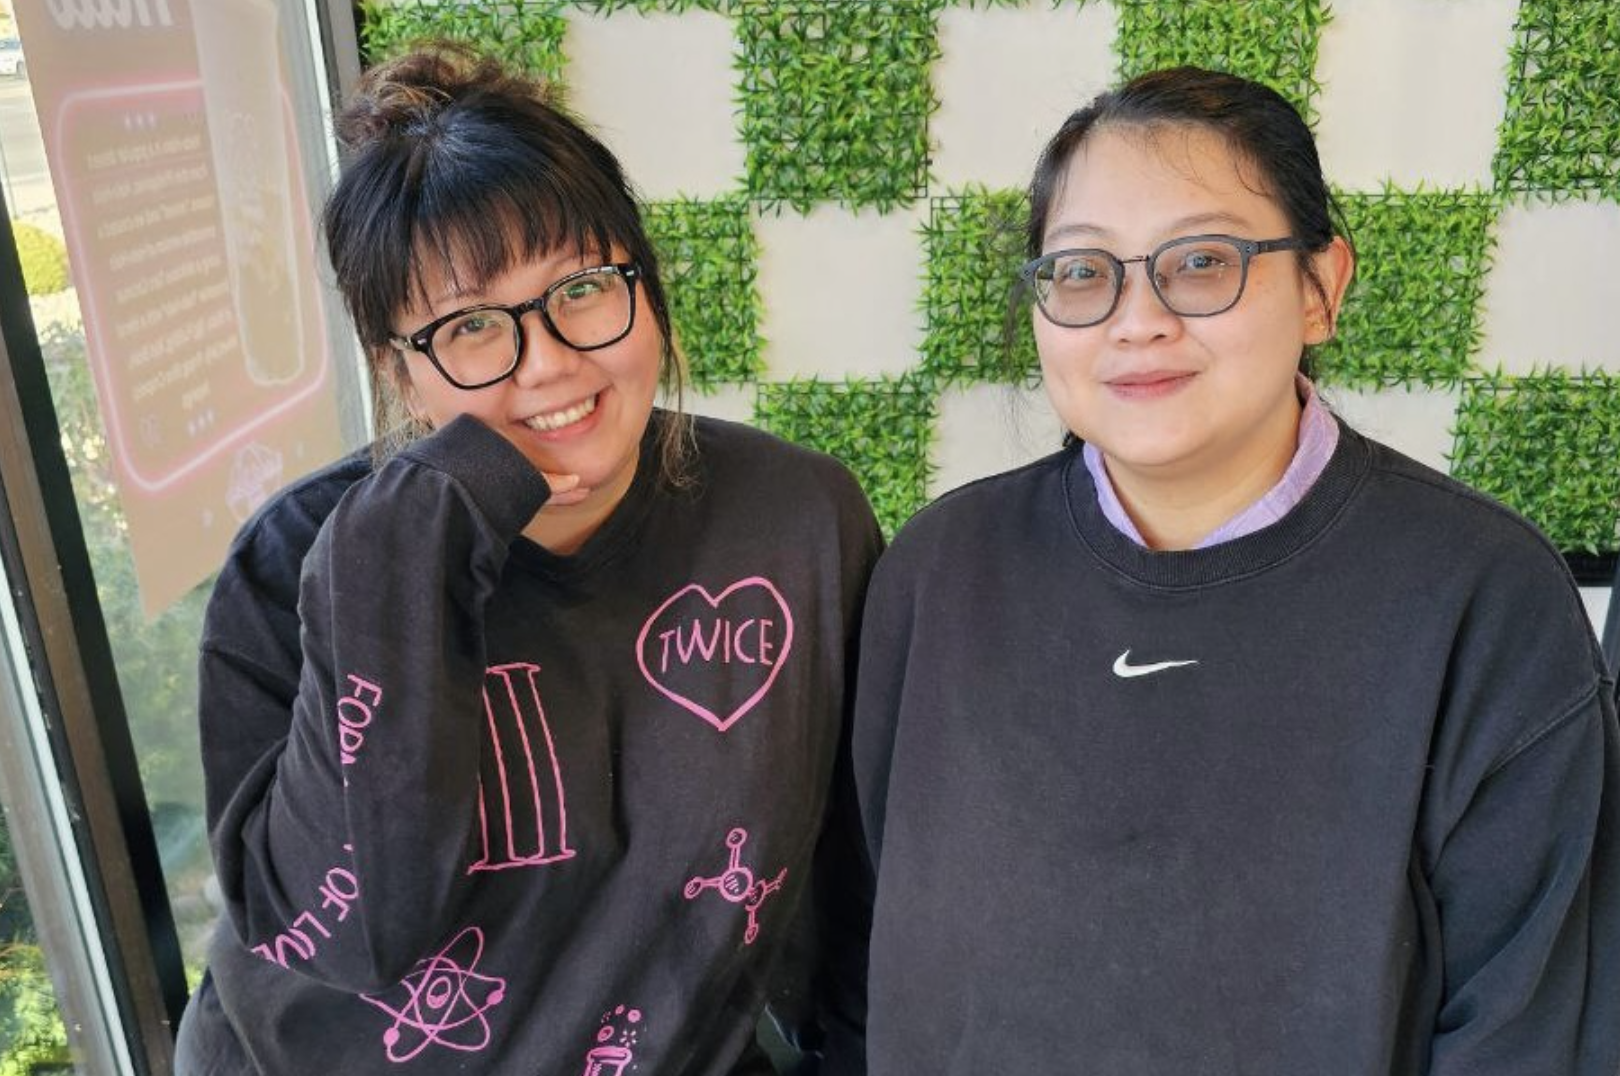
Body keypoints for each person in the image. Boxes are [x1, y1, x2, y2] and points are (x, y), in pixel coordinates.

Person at [845, 67, 1620, 1074]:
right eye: (1082, 271)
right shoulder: (940, 571)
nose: (1136, 320)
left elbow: (1533, 1029)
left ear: (1321, 288)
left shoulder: (1485, 598)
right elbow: (854, 958)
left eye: (1203, 261)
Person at [175, 42, 880, 1075]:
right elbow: (350, 936)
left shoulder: (794, 519)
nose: (547, 362)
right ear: (397, 370)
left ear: (647, 284)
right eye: (469, 325)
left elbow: (865, 872)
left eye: (583, 288)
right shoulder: (300, 563)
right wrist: (404, 552)